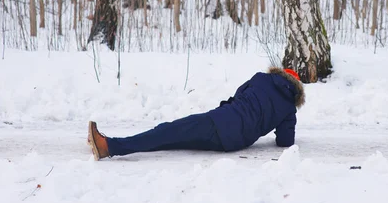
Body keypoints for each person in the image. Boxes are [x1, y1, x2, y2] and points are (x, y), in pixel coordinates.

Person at [87, 67, 305, 160]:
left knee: (167, 132)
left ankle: (109, 147)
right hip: (235, 142)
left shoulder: (260, 78)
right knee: (172, 139)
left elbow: (237, 96)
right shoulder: (289, 109)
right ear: (296, 88)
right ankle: (111, 146)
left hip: (221, 121)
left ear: (281, 73)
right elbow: (285, 142)